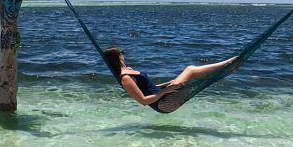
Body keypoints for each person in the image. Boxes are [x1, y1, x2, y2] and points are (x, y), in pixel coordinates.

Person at [101, 45, 237, 112]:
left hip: (164, 97)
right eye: (122, 52)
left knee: (193, 75)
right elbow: (143, 101)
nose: (123, 54)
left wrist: (167, 85)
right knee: (190, 70)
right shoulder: (125, 78)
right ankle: (227, 64)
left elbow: (150, 88)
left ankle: (228, 68)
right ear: (118, 56)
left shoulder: (129, 70)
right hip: (163, 104)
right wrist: (165, 91)